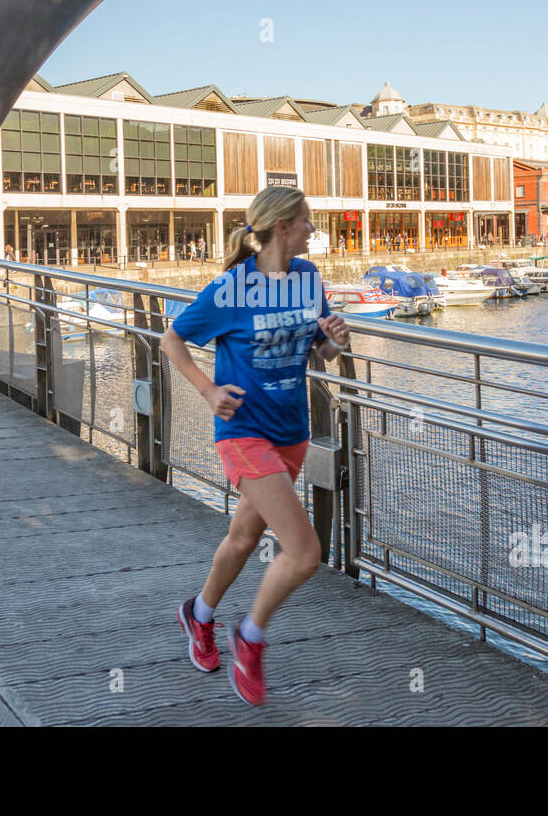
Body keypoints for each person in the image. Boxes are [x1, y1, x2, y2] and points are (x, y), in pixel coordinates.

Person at [161, 187, 351, 706]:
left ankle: (198, 614)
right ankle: (251, 635)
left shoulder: (308, 279)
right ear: (283, 225)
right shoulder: (232, 289)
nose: (313, 229)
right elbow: (171, 338)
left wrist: (335, 336)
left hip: (291, 433)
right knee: (306, 553)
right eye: (307, 220)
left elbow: (325, 352)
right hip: (244, 433)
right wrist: (208, 390)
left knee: (244, 537)